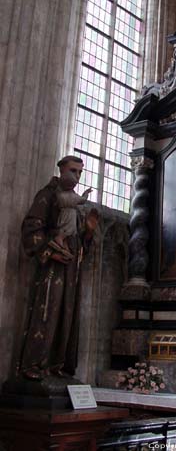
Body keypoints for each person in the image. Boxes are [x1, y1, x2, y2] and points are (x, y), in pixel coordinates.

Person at [19, 155, 99, 380]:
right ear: (62, 170)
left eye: (80, 172)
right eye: (73, 170)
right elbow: (31, 229)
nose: (76, 176)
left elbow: (81, 239)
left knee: (68, 314)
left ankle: (59, 365)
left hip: (72, 267)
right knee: (48, 311)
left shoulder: (74, 201)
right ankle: (33, 365)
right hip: (53, 266)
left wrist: (89, 231)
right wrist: (51, 251)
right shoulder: (48, 195)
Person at [49, 170, 92, 259]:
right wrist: (86, 193)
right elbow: (83, 200)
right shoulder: (73, 196)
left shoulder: (59, 195)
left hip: (63, 214)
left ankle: (64, 244)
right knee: (70, 229)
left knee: (63, 227)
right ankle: (60, 239)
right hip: (71, 215)